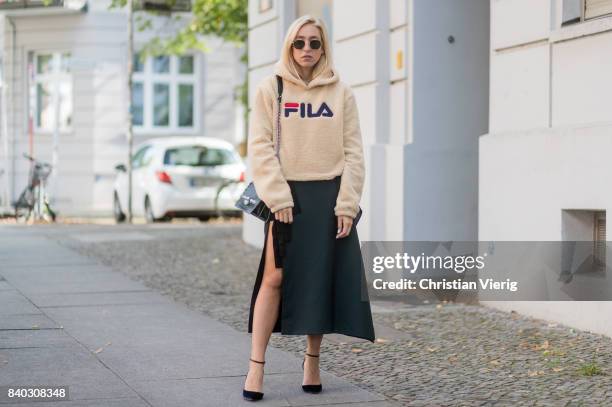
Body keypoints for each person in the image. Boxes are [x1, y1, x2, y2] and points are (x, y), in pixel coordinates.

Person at [243, 14, 376, 402]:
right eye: (299, 42)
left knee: (320, 279)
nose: (306, 50)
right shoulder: (272, 88)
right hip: (287, 198)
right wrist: (278, 196)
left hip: (330, 197)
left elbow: (354, 153)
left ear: (324, 47)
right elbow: (261, 147)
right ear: (289, 45)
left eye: (314, 43)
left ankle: (312, 362)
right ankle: (256, 367)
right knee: (275, 278)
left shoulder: (341, 93)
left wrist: (347, 204)